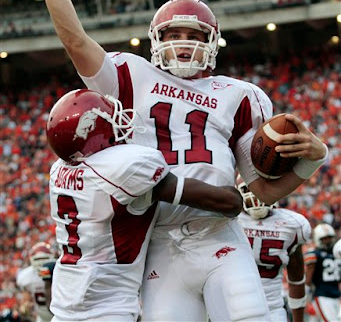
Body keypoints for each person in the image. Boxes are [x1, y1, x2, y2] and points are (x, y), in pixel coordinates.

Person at [15, 0, 329, 319]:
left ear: (212, 42)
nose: (183, 42)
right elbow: (75, 41)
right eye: (174, 33)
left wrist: (312, 160)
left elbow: (262, 193)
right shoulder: (131, 74)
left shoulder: (240, 94)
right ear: (155, 40)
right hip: (159, 244)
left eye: (194, 34)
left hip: (221, 235)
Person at [45, 88, 242, 321]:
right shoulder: (122, 168)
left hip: (64, 306)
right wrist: (233, 191)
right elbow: (229, 203)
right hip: (107, 309)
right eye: (112, 118)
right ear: (94, 132)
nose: (120, 122)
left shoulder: (59, 168)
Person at [237, 181, 311, 322]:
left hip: (272, 309)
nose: (256, 195)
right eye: (249, 189)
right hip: (233, 306)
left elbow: (296, 278)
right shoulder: (228, 218)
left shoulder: (292, 224)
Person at [304, 223, 341, 322]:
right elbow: (309, 276)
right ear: (318, 239)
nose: (328, 241)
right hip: (322, 295)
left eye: (329, 238)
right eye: (325, 238)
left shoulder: (337, 252)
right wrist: (305, 296)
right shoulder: (314, 254)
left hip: (336, 294)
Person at [16, 242, 56, 322]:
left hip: (61, 316)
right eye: (38, 259)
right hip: (42, 318)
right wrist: (25, 306)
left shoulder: (58, 271)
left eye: (44, 259)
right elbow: (26, 300)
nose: (41, 263)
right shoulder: (27, 276)